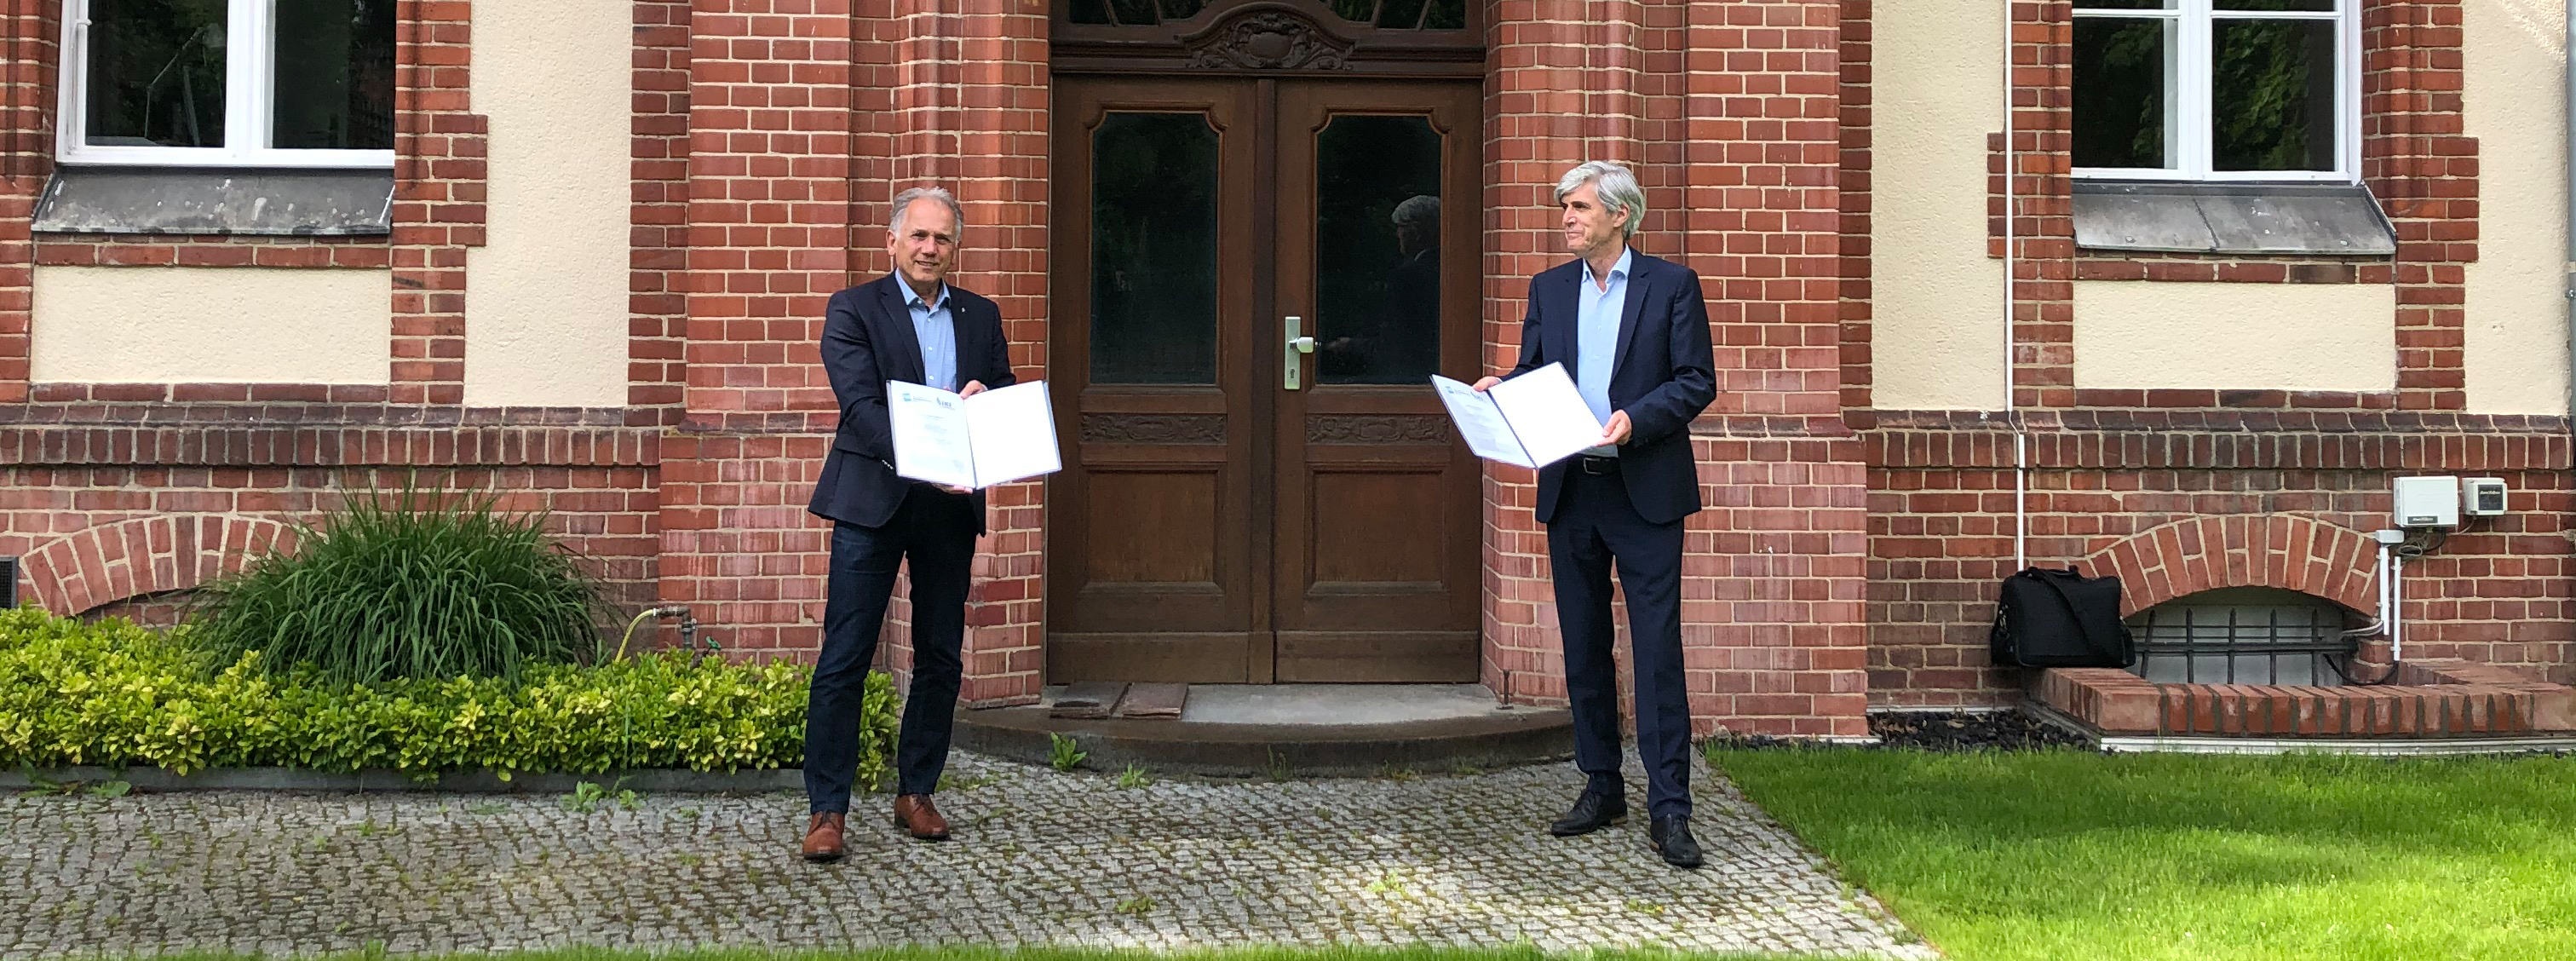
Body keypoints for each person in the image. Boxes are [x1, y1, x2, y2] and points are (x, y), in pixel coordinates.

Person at [1470, 160, 1716, 869]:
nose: (1568, 218)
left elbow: (1696, 381)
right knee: (1583, 646)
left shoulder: (1671, 285)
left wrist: (1635, 420)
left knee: (1656, 651)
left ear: (1620, 215)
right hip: (1573, 489)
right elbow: (1538, 373)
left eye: (1580, 207)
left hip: (1644, 491)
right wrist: (1502, 387)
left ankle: (1670, 809)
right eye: (1564, 208)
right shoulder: (1549, 288)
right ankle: (1601, 784)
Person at [800, 186, 1016, 861]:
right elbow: (861, 408)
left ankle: (915, 790)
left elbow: (1003, 392)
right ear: (892, 242)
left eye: (942, 238)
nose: (930, 248)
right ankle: (827, 811)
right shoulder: (854, 309)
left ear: (956, 247)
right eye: (918, 236)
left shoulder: (981, 315)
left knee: (941, 656)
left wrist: (988, 404)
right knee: (846, 657)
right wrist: (926, 456)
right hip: (873, 500)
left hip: (949, 507)